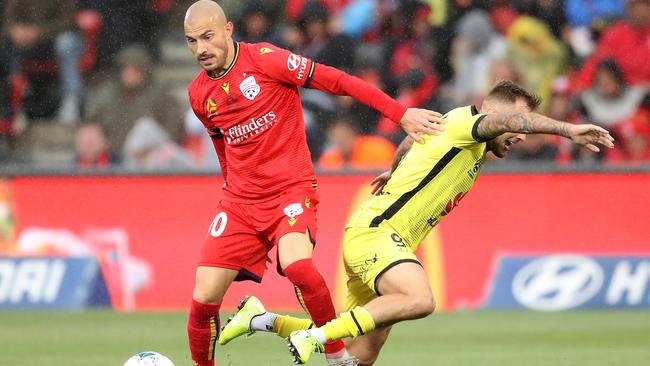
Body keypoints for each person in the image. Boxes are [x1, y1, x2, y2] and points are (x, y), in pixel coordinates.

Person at [218, 81, 615, 365]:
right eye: (516, 124)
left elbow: (412, 139)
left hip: (380, 237)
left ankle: (259, 318)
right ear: (495, 114)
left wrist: (393, 171)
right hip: (378, 233)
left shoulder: (452, 127)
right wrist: (568, 130)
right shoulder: (470, 123)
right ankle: (314, 336)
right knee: (420, 299)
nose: (520, 135)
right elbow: (502, 122)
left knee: (358, 356)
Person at [182, 2, 446, 366]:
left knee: (298, 266)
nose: (201, 49)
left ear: (228, 30)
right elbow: (220, 142)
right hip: (240, 203)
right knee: (202, 298)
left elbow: (339, 81)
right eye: (192, 42)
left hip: (290, 190)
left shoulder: (266, 60)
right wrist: (230, 188)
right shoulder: (199, 94)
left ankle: (336, 359)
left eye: (208, 37)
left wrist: (400, 114)